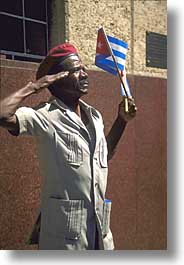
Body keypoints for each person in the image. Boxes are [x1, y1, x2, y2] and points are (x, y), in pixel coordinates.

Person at [0, 43, 136, 250]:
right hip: (65, 242)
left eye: (83, 68)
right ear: (57, 78)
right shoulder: (45, 116)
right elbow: (3, 115)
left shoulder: (95, 116)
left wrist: (122, 120)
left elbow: (103, 156)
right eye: (75, 70)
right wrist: (35, 86)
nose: (84, 74)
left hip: (101, 235)